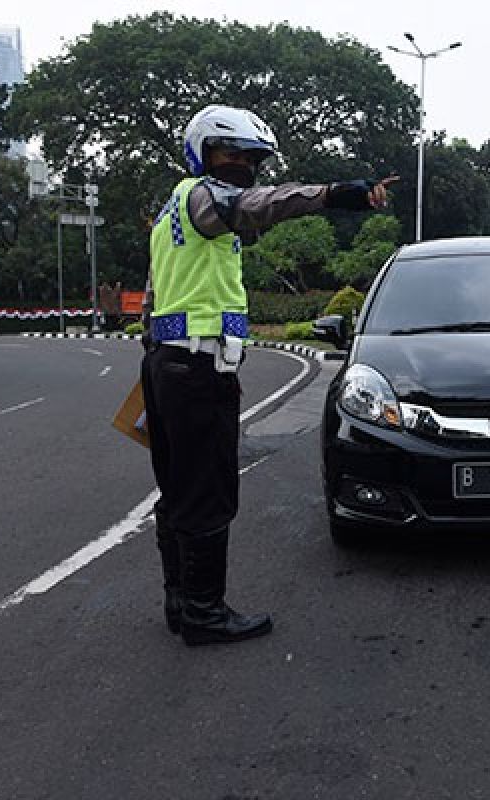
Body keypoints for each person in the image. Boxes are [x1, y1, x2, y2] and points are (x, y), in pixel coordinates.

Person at [141, 105, 394, 646]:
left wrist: (158, 368)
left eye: (252, 159)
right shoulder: (205, 199)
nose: (245, 168)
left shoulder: (171, 213)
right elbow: (262, 204)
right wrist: (334, 194)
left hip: (170, 364)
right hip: (197, 368)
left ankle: (181, 603)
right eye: (233, 154)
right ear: (203, 151)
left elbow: (156, 299)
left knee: (180, 487)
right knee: (208, 491)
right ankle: (205, 614)